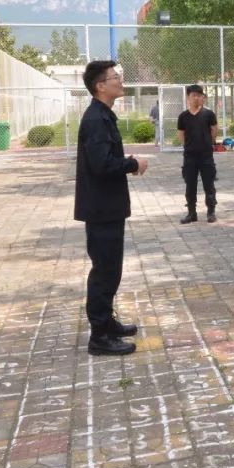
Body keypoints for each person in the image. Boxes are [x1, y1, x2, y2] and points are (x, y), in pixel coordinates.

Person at [74, 60, 148, 356]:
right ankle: (99, 336)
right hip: (101, 208)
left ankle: (107, 323)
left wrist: (127, 162)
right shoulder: (96, 119)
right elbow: (102, 165)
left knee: (110, 269)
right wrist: (133, 164)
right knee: (104, 271)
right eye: (114, 76)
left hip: (108, 206)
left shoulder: (103, 115)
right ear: (100, 86)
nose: (120, 80)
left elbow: (103, 159)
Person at [177, 85, 218, 224]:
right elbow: (181, 134)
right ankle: (191, 213)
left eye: (199, 95)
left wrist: (208, 142)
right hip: (190, 157)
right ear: (188, 97)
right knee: (190, 185)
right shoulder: (183, 116)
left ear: (202, 97)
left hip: (206, 156)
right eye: (193, 95)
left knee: (209, 184)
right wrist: (188, 146)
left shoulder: (209, 114)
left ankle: (211, 212)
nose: (196, 98)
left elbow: (214, 130)